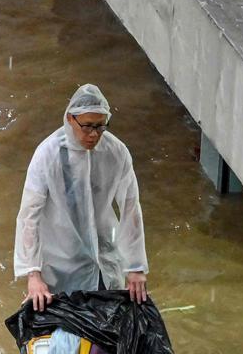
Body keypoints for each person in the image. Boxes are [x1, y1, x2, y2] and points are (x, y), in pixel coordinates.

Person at [14, 84, 148, 312]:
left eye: (100, 126)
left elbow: (130, 207)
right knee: (63, 332)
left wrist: (135, 267)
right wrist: (33, 275)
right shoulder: (48, 154)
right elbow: (29, 216)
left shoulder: (115, 152)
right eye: (87, 126)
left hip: (103, 257)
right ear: (70, 119)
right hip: (59, 262)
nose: (94, 134)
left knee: (106, 330)